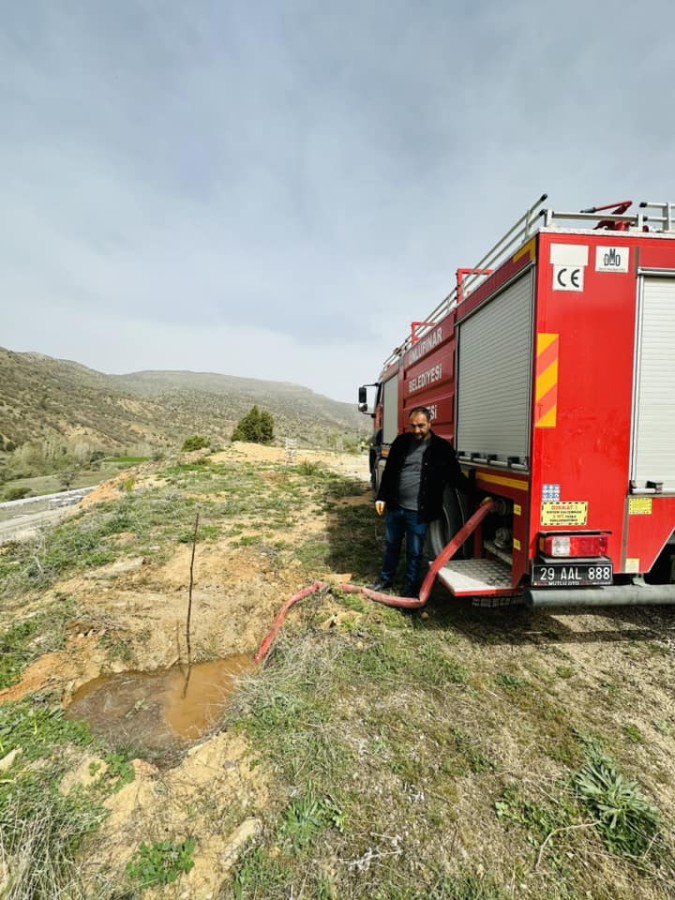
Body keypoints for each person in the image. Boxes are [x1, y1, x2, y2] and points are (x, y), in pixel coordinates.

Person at [370, 406, 470, 597]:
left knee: (415, 552)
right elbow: (390, 472)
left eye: (421, 426)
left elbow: (456, 477)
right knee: (391, 545)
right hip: (395, 506)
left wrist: (481, 497)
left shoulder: (441, 449)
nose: (416, 431)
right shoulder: (401, 442)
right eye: (413, 426)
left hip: (418, 511)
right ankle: (385, 580)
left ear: (430, 423)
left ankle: (410, 590)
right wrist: (382, 496)